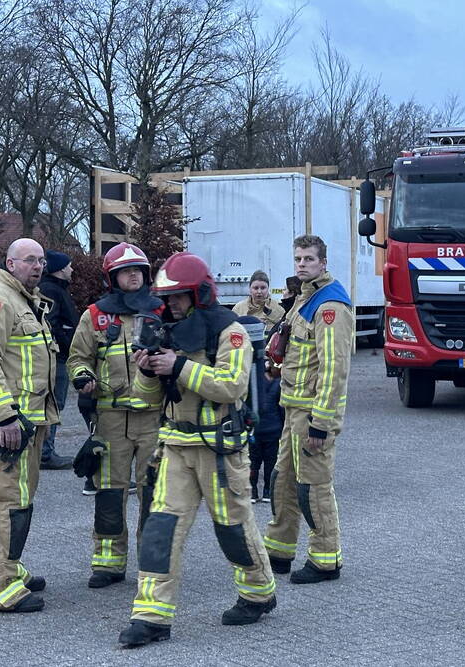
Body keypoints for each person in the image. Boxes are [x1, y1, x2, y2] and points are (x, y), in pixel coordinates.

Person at [118, 252, 276, 648]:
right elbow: (146, 398)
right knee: (160, 529)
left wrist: (179, 367)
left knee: (233, 529)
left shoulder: (230, 331)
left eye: (178, 297)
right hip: (176, 446)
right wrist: (147, 371)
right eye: (167, 298)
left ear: (200, 293)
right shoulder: (165, 332)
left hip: (220, 449)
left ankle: (258, 593)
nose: (170, 305)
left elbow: (232, 385)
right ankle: (151, 616)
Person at [0, 238, 60, 613]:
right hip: (4, 426)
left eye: (40, 260)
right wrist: (4, 414)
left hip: (27, 425)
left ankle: (9, 569)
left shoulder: (26, 301)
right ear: (10, 262)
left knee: (20, 501)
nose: (37, 266)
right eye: (28, 260)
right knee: (1, 504)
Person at [67, 243, 164, 589]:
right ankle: (109, 563)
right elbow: (78, 357)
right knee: (110, 492)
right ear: (112, 277)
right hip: (109, 418)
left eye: (138, 270)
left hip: (154, 418)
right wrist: (81, 376)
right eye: (126, 271)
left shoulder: (161, 309)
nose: (133, 275)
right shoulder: (94, 315)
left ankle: (152, 562)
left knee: (154, 491)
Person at [264, 235, 353, 585]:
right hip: (293, 408)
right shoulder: (305, 299)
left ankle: (325, 559)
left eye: (309, 259)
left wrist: (321, 423)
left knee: (313, 488)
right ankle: (280, 550)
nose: (301, 264)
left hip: (312, 415)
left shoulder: (330, 306)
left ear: (323, 263)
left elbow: (333, 370)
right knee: (282, 481)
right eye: (298, 258)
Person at [37, 250, 77, 470]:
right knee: (53, 403)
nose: (72, 269)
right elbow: (49, 324)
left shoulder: (54, 289)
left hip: (58, 355)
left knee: (51, 403)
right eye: (69, 265)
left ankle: (43, 451)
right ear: (61, 269)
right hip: (57, 357)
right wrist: (65, 342)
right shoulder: (51, 291)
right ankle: (45, 454)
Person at [249, 361, 283, 504]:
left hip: (255, 431)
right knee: (270, 462)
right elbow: (282, 409)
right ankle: (268, 491)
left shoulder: (254, 384)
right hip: (273, 431)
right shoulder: (278, 384)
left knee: (253, 462)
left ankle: (253, 491)